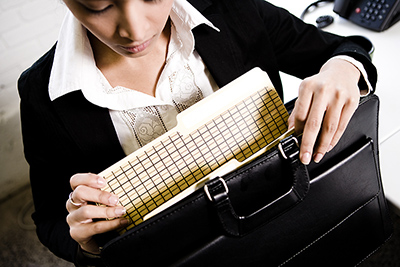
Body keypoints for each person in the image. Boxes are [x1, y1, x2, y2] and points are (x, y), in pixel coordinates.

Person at [18, 0, 377, 265]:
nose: (135, 30)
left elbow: (345, 50)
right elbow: (50, 219)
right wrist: (90, 244)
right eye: (99, 5)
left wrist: (342, 70)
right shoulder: (41, 93)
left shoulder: (233, 10)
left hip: (288, 223)